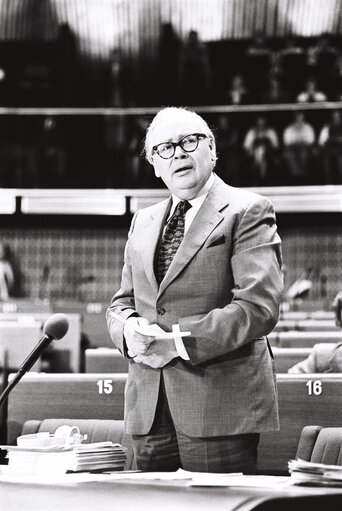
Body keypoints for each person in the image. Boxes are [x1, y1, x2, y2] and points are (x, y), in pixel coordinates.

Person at [106, 106, 283, 474]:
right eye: (164, 148)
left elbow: (257, 307)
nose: (179, 153)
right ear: (154, 164)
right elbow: (122, 303)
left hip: (219, 406)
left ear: (212, 149)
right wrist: (127, 330)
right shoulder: (143, 220)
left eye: (189, 141)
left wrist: (176, 341)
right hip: (149, 410)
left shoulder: (248, 209)